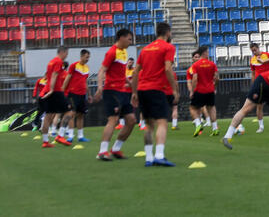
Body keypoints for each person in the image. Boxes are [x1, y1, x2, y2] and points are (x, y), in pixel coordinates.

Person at [131, 22, 179, 167]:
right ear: (168, 33)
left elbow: (135, 72)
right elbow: (168, 69)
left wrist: (134, 92)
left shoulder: (145, 49)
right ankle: (159, 155)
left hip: (142, 89)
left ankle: (149, 158)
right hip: (157, 89)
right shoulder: (168, 47)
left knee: (149, 125)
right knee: (162, 122)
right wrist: (174, 89)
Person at [94, 29, 138, 161]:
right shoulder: (112, 52)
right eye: (129, 39)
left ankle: (116, 149)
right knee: (113, 120)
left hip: (122, 92)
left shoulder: (124, 52)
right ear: (121, 38)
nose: (131, 42)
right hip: (111, 91)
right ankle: (102, 152)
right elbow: (102, 70)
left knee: (131, 120)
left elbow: (120, 74)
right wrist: (100, 87)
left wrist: (130, 85)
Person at [39, 46, 71, 148]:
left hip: (48, 91)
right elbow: (54, 75)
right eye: (66, 53)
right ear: (62, 52)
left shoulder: (51, 62)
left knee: (48, 116)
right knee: (69, 112)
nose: (67, 55)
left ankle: (45, 141)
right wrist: (52, 89)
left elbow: (50, 75)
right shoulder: (58, 62)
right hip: (56, 91)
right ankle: (60, 136)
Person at [61, 49, 91, 142]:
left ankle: (80, 136)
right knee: (72, 114)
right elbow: (67, 79)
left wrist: (89, 94)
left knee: (81, 115)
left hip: (82, 95)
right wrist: (62, 91)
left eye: (88, 57)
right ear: (81, 56)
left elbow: (85, 82)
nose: (87, 59)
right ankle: (70, 136)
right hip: (73, 94)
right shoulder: (74, 66)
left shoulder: (87, 68)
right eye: (86, 57)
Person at [189, 46, 220, 137]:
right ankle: (215, 129)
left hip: (199, 90)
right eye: (207, 52)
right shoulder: (212, 64)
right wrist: (214, 87)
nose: (208, 53)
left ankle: (198, 124)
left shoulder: (195, 65)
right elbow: (217, 78)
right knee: (211, 108)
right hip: (210, 90)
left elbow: (195, 79)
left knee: (193, 108)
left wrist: (193, 91)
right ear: (204, 52)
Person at [248, 43, 269, 133]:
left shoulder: (267, 55)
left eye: (255, 50)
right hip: (259, 85)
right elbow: (253, 74)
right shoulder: (252, 60)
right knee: (259, 106)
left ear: (258, 48)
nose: (254, 52)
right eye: (252, 51)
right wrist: (253, 86)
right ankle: (261, 127)